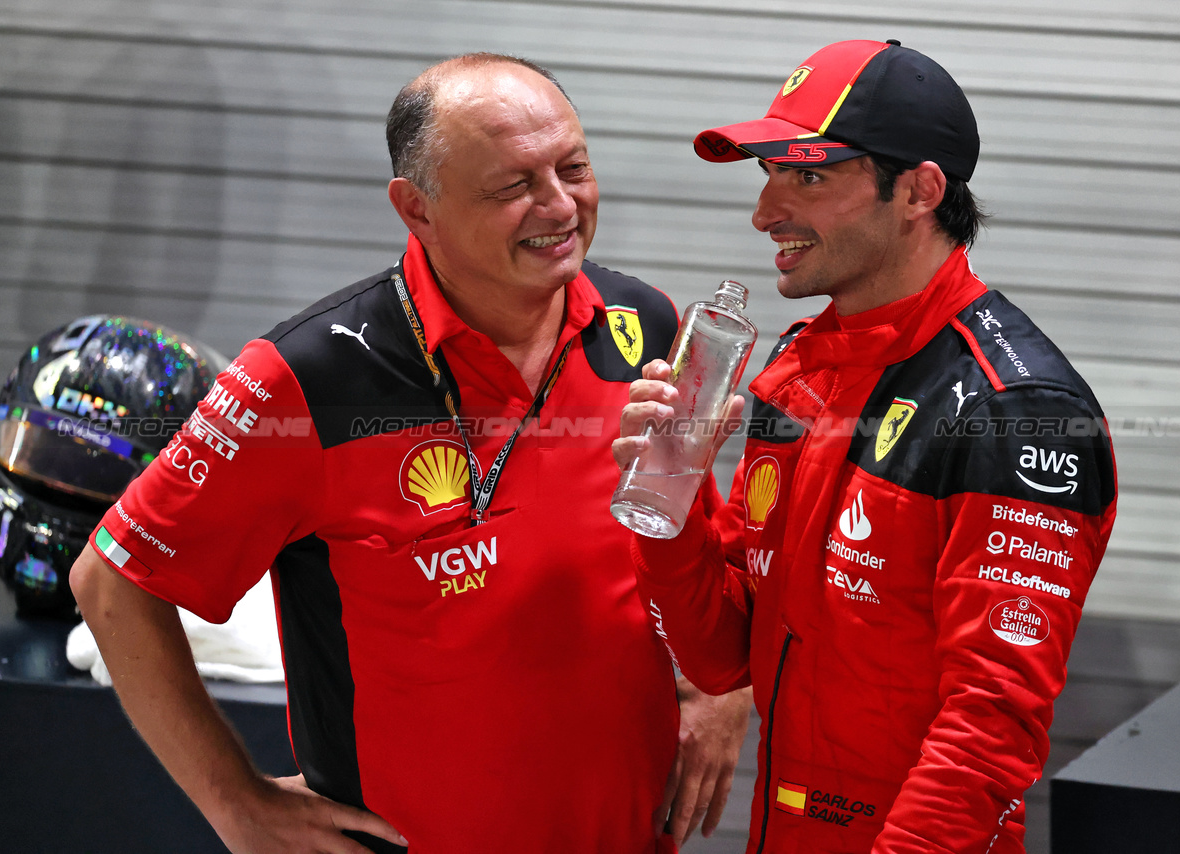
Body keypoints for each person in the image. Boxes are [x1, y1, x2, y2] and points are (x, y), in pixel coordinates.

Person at [70, 52, 751, 854]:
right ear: (416, 208)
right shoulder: (307, 377)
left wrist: (716, 687)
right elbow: (112, 581)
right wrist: (234, 801)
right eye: (513, 186)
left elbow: (683, 537)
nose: (559, 205)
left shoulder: (646, 322)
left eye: (574, 167)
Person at [614, 39, 1117, 853]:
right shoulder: (796, 367)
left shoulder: (1018, 410)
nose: (765, 211)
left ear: (919, 190)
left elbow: (990, 731)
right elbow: (720, 658)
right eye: (767, 174)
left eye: (807, 176)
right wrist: (671, 500)